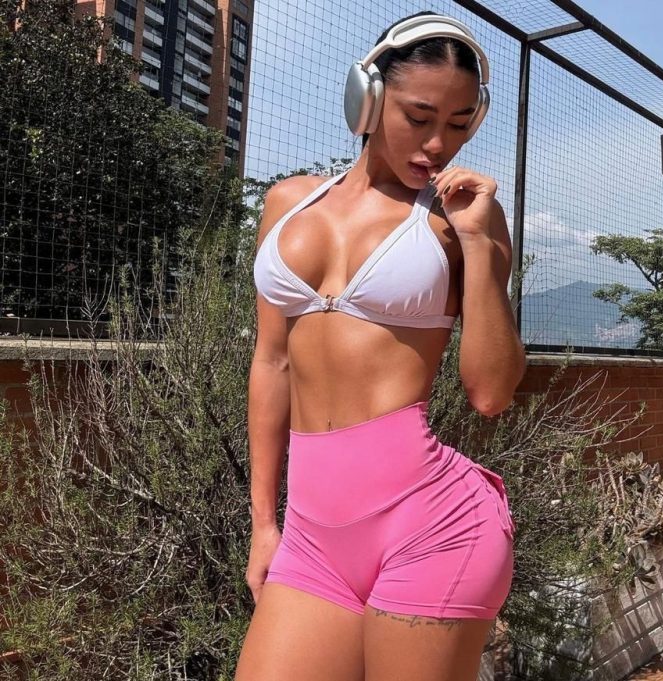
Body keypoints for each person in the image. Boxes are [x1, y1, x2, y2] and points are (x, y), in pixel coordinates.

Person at [235, 11, 527, 681]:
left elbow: (492, 392)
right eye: (418, 117)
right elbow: (272, 361)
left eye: (459, 124)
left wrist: (480, 245)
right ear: (366, 99)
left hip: (435, 527)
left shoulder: (461, 221)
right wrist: (263, 523)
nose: (437, 144)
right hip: (312, 536)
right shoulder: (288, 204)